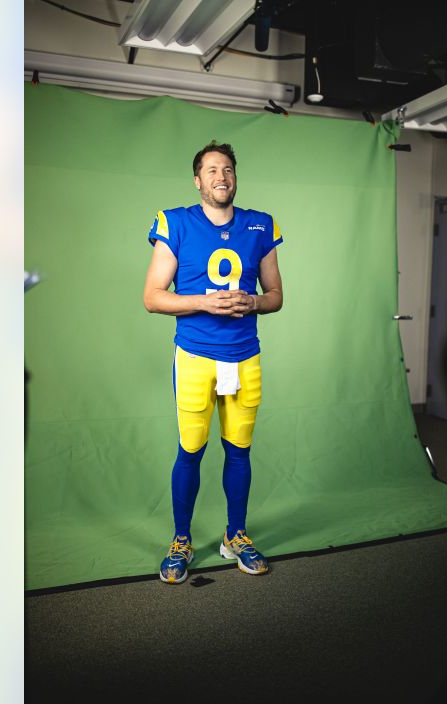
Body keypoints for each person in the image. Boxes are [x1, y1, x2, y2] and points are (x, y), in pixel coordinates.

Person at [142, 141, 284, 584]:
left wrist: (253, 301)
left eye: (228, 169)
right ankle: (181, 540)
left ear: (235, 177)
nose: (221, 176)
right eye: (211, 170)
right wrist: (204, 304)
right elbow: (152, 297)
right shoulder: (175, 222)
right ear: (197, 180)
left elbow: (277, 297)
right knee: (191, 450)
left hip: (245, 357)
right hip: (196, 356)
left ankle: (235, 535)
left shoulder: (261, 225)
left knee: (239, 451)